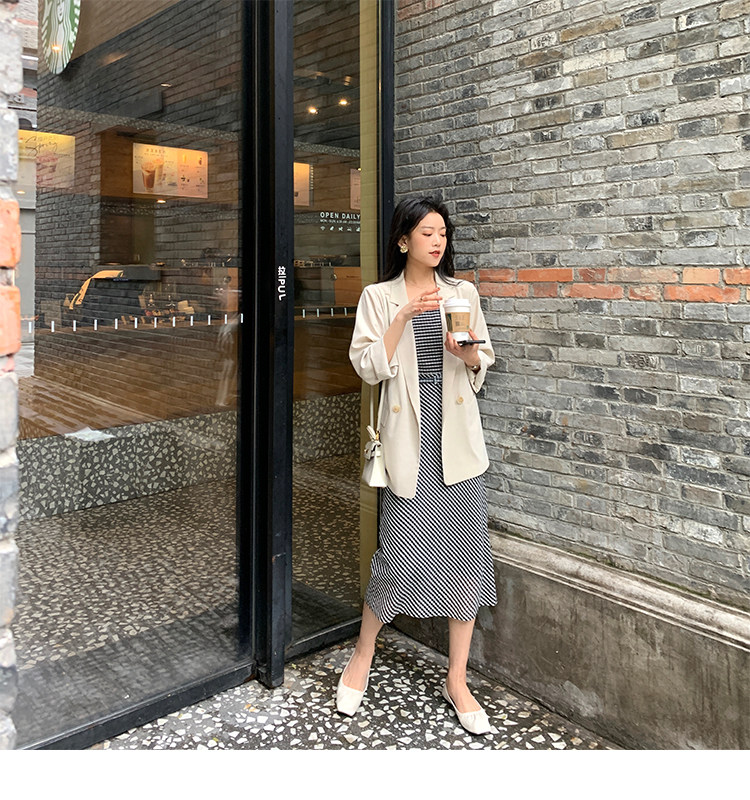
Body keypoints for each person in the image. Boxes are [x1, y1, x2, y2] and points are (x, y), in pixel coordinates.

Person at [341, 196, 497, 735]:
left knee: (467, 563)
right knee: (394, 558)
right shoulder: (378, 297)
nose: (437, 241)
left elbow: (482, 359)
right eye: (427, 233)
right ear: (403, 240)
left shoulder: (462, 293)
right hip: (408, 435)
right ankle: (363, 653)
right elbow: (367, 367)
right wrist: (403, 316)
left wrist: (466, 354)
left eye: (443, 233)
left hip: (454, 435)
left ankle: (457, 678)